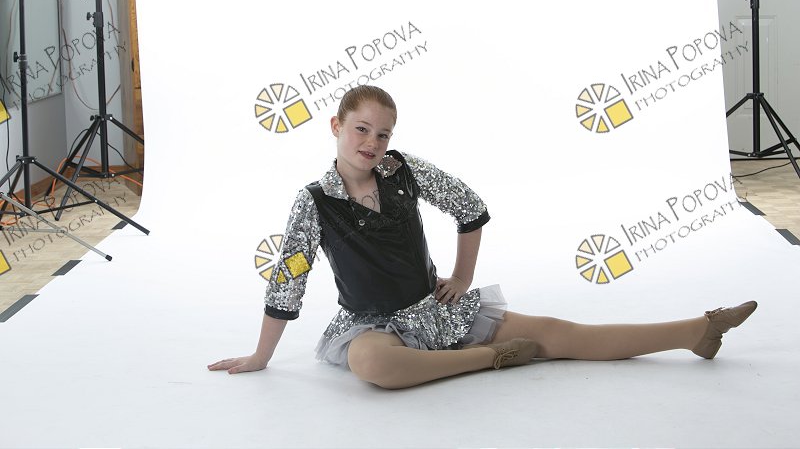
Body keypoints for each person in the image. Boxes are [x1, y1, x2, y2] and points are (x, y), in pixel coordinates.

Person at [208, 85, 757, 389]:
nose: (372, 142)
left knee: (558, 332)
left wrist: (462, 276)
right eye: (361, 129)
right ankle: (491, 358)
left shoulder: (403, 172)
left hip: (437, 309)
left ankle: (697, 330)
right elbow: (288, 282)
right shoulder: (314, 201)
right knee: (372, 366)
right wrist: (260, 355)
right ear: (336, 126)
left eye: (383, 133)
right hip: (374, 325)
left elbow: (469, 208)